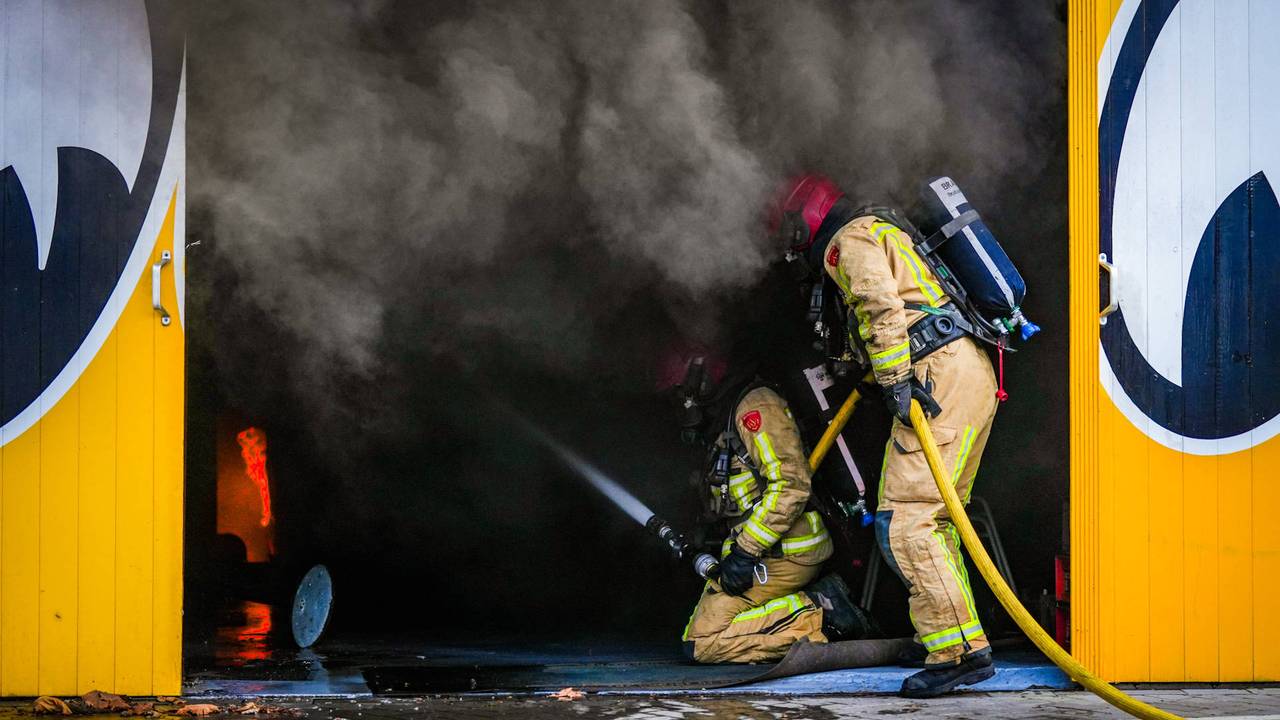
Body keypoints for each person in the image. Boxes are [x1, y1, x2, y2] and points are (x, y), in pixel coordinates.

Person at [768, 174, 999, 697]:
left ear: (807, 215)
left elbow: (880, 306)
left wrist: (895, 379)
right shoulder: (883, 227)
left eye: (789, 229)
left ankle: (959, 653)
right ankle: (951, 635)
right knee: (935, 520)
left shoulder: (847, 239)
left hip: (936, 376)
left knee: (907, 520)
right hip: (966, 374)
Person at [658, 351, 871, 664]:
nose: (681, 402)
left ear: (701, 377)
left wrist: (745, 553)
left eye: (681, 391)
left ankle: (824, 612)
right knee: (701, 635)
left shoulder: (755, 405)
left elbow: (791, 484)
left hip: (788, 553)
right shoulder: (724, 417)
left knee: (702, 642)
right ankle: (804, 612)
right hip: (759, 554)